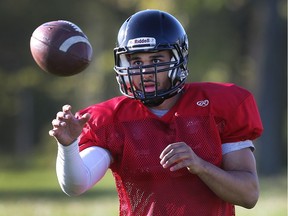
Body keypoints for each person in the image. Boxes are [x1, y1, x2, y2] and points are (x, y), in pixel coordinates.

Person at [49, 9, 263, 216]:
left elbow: (248, 195)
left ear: (177, 60)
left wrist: (201, 166)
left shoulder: (216, 106)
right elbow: (76, 184)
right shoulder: (112, 119)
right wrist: (67, 146)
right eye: (136, 62)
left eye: (156, 61)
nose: (145, 71)